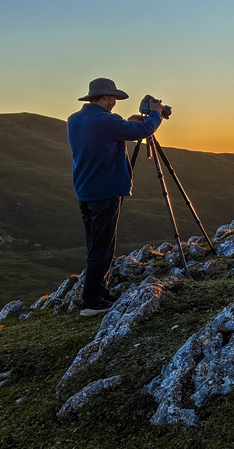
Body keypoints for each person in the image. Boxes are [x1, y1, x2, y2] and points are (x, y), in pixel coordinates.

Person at [67, 78, 164, 317]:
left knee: (95, 245)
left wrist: (125, 123)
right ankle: (91, 302)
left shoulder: (75, 120)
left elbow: (103, 136)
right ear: (104, 97)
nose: (114, 103)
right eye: (113, 98)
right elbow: (145, 130)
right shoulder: (107, 121)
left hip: (85, 190)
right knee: (102, 248)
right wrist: (155, 113)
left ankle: (100, 293)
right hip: (106, 191)